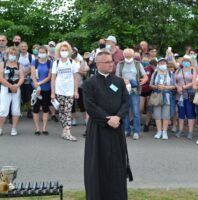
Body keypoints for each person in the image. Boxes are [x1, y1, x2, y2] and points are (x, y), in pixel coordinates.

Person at [82, 49, 133, 200]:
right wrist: (106, 119)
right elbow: (89, 106)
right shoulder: (89, 83)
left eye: (112, 61)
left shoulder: (118, 81)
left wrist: (118, 117)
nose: (112, 64)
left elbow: (126, 102)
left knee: (116, 164)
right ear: (98, 64)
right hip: (98, 129)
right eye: (108, 62)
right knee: (97, 165)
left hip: (116, 128)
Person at [115, 48, 148, 140]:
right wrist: (123, 80)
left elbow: (145, 76)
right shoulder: (120, 64)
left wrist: (143, 81)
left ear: (133, 56)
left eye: (130, 56)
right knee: (124, 111)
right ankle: (126, 129)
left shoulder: (138, 64)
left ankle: (136, 131)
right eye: (126, 56)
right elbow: (117, 77)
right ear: (123, 56)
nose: (128, 58)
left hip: (134, 90)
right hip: (123, 90)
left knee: (136, 112)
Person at [51, 41, 79, 141]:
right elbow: (53, 78)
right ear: (59, 51)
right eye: (62, 50)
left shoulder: (73, 62)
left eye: (66, 50)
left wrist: (76, 91)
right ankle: (64, 130)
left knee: (67, 111)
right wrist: (52, 93)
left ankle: (68, 132)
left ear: (69, 51)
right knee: (61, 112)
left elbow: (76, 78)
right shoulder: (56, 63)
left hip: (70, 91)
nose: (64, 52)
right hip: (59, 91)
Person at [0, 47, 24, 136]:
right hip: (5, 88)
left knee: (16, 109)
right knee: (3, 109)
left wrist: (16, 86)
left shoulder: (19, 65)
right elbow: (0, 78)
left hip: (16, 88)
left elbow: (22, 77)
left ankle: (14, 128)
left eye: (14, 54)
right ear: (7, 54)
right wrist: (10, 86)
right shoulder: (2, 64)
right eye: (11, 53)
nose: (12, 55)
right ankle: (0, 128)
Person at [150, 58, 176, 139]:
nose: (162, 64)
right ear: (158, 64)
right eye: (161, 62)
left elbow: (174, 86)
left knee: (166, 115)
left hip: (167, 96)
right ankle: (159, 131)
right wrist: (157, 87)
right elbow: (151, 85)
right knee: (157, 114)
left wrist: (165, 87)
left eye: (164, 62)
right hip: (157, 95)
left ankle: (164, 132)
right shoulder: (155, 73)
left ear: (166, 64)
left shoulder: (170, 73)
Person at [30, 46, 52, 135]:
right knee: (35, 109)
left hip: (46, 89)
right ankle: (37, 129)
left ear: (46, 53)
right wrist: (37, 86)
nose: (41, 53)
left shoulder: (49, 62)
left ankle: (44, 128)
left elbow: (49, 77)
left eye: (43, 52)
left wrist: (39, 84)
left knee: (45, 108)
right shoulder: (34, 62)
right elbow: (33, 75)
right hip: (36, 89)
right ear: (38, 53)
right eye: (40, 52)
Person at [175, 55, 197, 139]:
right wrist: (178, 87)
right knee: (181, 113)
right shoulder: (178, 70)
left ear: (190, 62)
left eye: (187, 60)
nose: (185, 62)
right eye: (184, 60)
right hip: (180, 95)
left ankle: (190, 132)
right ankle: (181, 130)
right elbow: (174, 81)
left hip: (189, 94)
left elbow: (194, 80)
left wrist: (186, 86)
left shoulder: (192, 70)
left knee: (190, 112)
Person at [18, 41, 35, 118]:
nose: (23, 48)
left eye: (25, 46)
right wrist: (21, 75)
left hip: (29, 79)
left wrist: (25, 74)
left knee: (29, 96)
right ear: (19, 48)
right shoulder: (17, 56)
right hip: (18, 79)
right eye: (22, 46)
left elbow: (33, 68)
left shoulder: (31, 56)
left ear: (27, 47)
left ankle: (29, 110)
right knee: (19, 95)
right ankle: (18, 111)